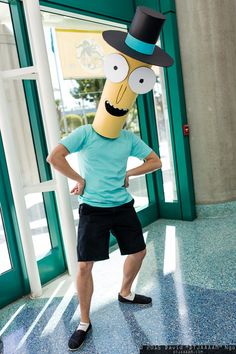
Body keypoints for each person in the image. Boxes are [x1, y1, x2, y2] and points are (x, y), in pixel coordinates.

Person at [47, 6, 173, 351]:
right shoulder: (85, 133)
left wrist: (130, 172)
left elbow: (155, 161)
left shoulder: (128, 137)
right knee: (85, 265)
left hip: (122, 205)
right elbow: (54, 156)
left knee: (139, 252)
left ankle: (125, 291)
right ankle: (85, 320)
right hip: (93, 209)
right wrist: (80, 179)